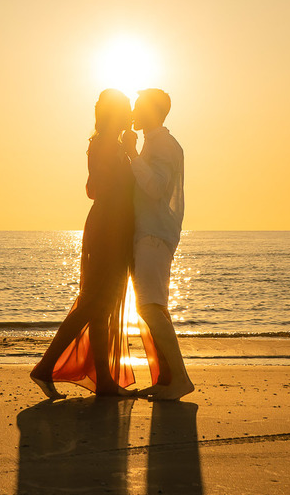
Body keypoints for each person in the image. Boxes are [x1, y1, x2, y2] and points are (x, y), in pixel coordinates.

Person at [30, 89, 138, 399]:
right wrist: (126, 161)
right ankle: (44, 368)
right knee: (93, 301)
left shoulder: (116, 145)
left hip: (116, 228)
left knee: (101, 306)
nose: (130, 115)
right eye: (126, 109)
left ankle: (103, 380)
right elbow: (95, 188)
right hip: (106, 228)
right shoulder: (102, 145)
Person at [126, 88, 193, 400]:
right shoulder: (154, 142)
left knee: (151, 308)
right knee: (154, 308)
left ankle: (179, 379)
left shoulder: (163, 144)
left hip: (154, 234)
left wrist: (130, 155)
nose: (134, 110)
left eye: (138, 105)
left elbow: (155, 188)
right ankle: (168, 379)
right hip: (151, 232)